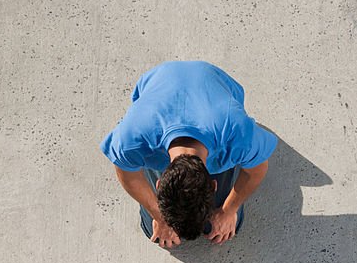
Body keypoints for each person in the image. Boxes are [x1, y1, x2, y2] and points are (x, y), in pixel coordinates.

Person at [101, 61, 277, 248]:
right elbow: (126, 173)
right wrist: (159, 217)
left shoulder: (238, 134)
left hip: (213, 81)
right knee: (151, 225)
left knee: (229, 222)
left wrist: (228, 210)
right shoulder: (133, 137)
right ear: (213, 184)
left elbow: (257, 170)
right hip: (160, 81)